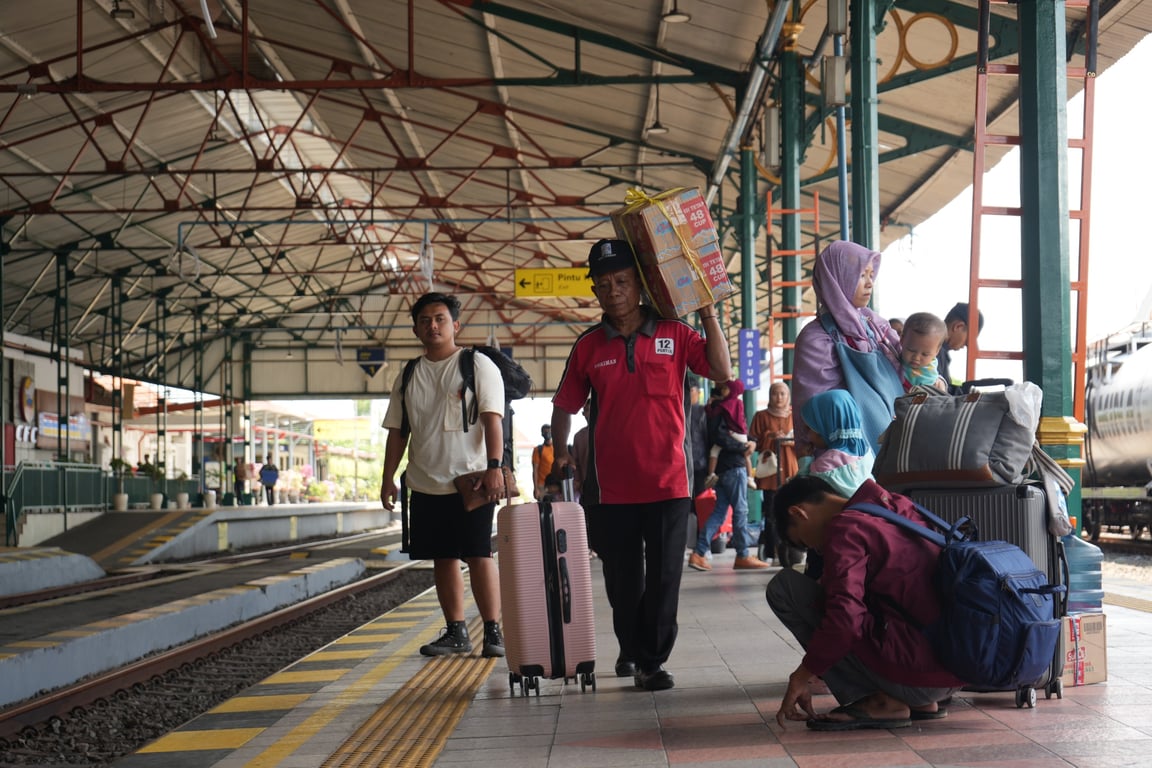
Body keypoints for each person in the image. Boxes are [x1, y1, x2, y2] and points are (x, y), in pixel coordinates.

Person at [550, 238, 732, 692]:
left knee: (667, 575)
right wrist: (559, 452)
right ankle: (630, 648)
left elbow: (722, 370)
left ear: (640, 285)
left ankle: (651, 660)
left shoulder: (675, 333)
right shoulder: (589, 346)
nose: (614, 291)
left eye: (623, 282)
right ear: (595, 290)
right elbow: (565, 405)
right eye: (605, 284)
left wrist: (707, 311)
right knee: (623, 579)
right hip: (612, 487)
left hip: (670, 480)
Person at [768, 475, 962, 731]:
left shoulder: (845, 529)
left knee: (785, 588)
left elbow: (844, 622)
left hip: (917, 676)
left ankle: (880, 701)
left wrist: (802, 675)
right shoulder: (895, 505)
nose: (815, 548)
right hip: (953, 670)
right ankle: (919, 703)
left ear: (799, 512)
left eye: (804, 541)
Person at [379, 291, 505, 659]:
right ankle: (456, 632)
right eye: (425, 320)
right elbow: (397, 432)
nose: (432, 326)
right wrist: (388, 478)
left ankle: (493, 630)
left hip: (472, 481)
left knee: (479, 553)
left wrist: (495, 467)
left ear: (455, 325)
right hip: (424, 482)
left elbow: (492, 420)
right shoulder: (408, 374)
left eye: (440, 319)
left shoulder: (476, 365)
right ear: (416, 328)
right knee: (443, 557)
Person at [791, 241, 903, 456]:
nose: (870, 283)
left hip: (894, 441)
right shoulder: (815, 338)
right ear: (836, 278)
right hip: (847, 457)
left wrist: (930, 376)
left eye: (871, 275)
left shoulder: (875, 324)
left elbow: (907, 364)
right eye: (861, 275)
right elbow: (812, 410)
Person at [688, 378, 772, 572]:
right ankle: (742, 555)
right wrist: (744, 446)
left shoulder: (715, 408)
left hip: (722, 468)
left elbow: (733, 434)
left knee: (719, 512)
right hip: (734, 466)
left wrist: (748, 442)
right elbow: (723, 436)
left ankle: (699, 553)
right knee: (741, 511)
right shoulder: (729, 408)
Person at [749, 381, 800, 562]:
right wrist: (770, 437)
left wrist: (789, 441)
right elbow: (753, 442)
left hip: (790, 470)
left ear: (788, 396)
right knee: (771, 513)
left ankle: (791, 550)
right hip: (771, 472)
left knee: (791, 511)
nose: (778, 398)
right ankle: (772, 550)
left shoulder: (795, 416)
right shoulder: (761, 416)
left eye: (782, 394)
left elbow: (804, 442)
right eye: (775, 394)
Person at [798, 389, 875, 499]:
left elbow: (802, 496)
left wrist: (804, 463)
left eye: (809, 429)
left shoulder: (825, 467)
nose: (807, 436)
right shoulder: (867, 453)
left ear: (826, 427)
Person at [702, 378, 755, 490]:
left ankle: (711, 474)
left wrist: (708, 406)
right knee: (747, 456)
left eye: (726, 388)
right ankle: (750, 478)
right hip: (742, 435)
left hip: (732, 443)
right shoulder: (739, 403)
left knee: (714, 450)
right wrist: (750, 442)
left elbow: (713, 417)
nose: (723, 390)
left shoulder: (724, 405)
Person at [937, 302, 986, 394]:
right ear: (958, 326)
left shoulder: (939, 351)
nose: (966, 346)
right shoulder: (934, 350)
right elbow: (938, 391)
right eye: (968, 340)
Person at [898, 312, 949, 392]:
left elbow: (937, 379)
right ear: (902, 340)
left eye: (925, 354)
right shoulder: (894, 359)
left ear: (937, 351)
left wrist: (941, 383)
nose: (916, 358)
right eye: (911, 350)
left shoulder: (932, 365)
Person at [531, 424, 555, 501]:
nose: (547, 434)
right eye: (545, 432)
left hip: (556, 484)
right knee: (544, 508)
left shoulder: (557, 448)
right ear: (542, 434)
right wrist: (536, 488)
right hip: (542, 485)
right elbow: (535, 470)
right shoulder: (538, 450)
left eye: (549, 431)